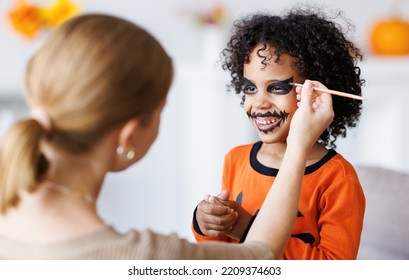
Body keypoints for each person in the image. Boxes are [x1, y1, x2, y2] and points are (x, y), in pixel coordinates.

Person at [0, 13, 334, 259]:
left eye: (276, 87)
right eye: (162, 109)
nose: (259, 100)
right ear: (129, 135)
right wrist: (299, 147)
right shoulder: (146, 260)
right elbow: (259, 256)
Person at [192, 6, 366, 260]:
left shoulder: (337, 177)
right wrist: (205, 223)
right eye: (250, 88)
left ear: (315, 93)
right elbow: (224, 252)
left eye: (276, 88)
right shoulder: (236, 159)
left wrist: (246, 228)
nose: (259, 103)